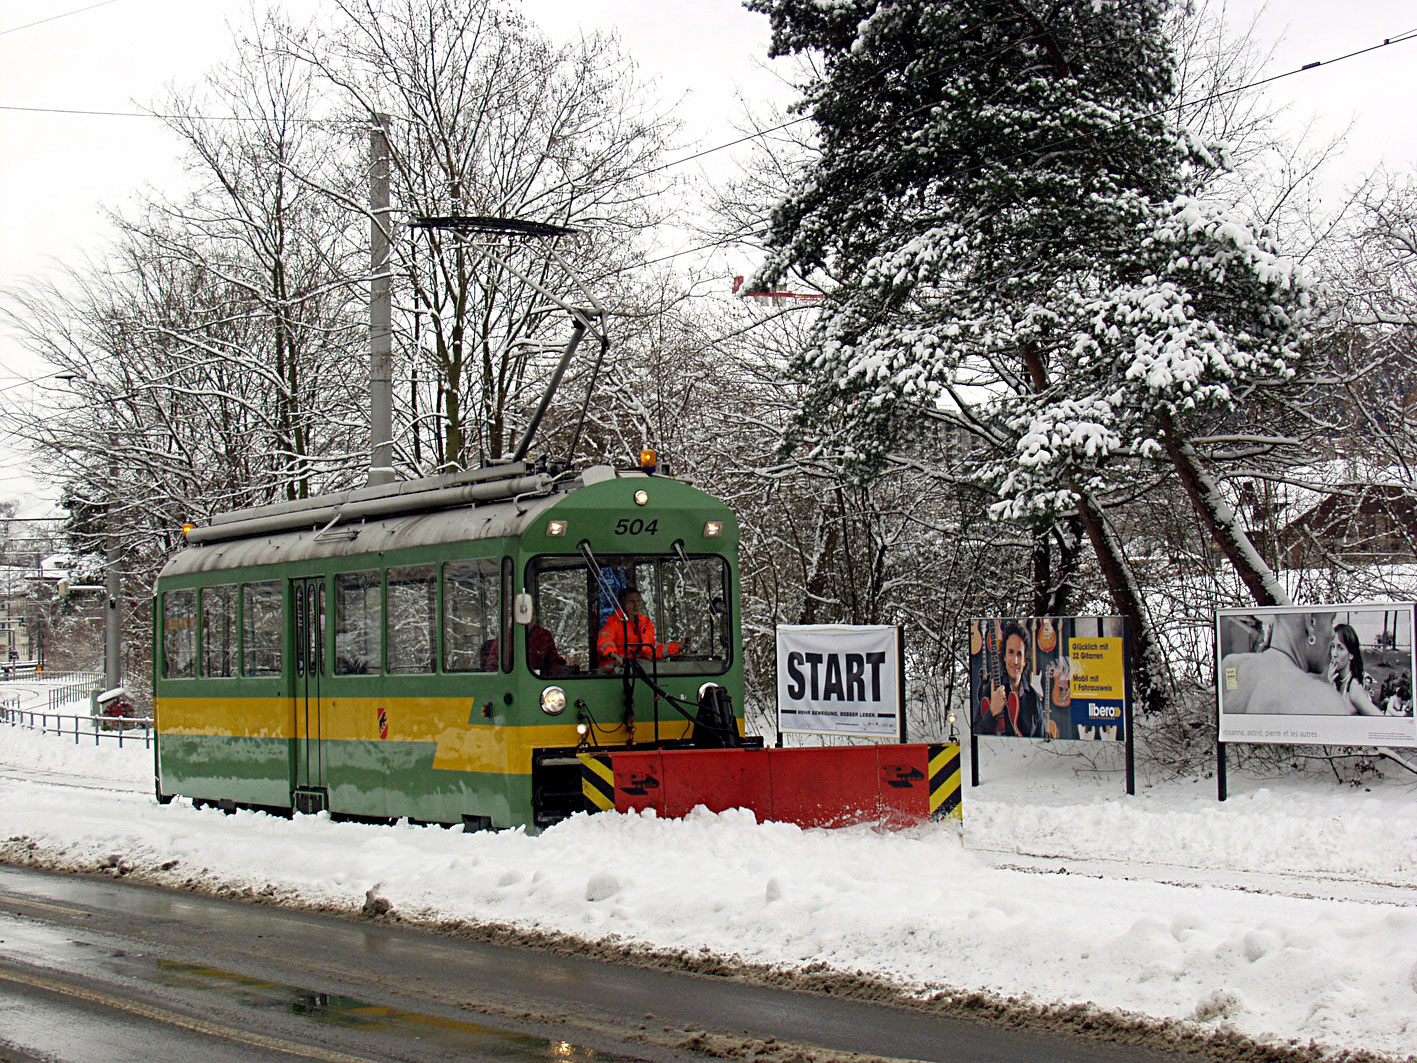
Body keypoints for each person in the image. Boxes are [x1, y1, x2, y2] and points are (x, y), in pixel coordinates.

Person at [1221, 610, 1352, 715]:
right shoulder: (1325, 701)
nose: (1332, 634)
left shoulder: (1233, 667)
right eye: (1331, 621)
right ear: (1310, 622)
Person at [974, 620, 1046, 737]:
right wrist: (992, 712)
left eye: (1019, 654)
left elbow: (1041, 739)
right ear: (1004, 657)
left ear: (1025, 661)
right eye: (1011, 652)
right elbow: (976, 736)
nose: (1015, 661)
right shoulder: (992, 690)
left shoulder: (1033, 698)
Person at [597, 587, 681, 670]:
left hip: (639, 668)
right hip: (617, 668)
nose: (636, 605)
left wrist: (679, 646)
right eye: (631, 601)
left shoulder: (645, 623)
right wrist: (613, 655)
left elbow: (653, 650)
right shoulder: (613, 622)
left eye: (638, 601)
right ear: (622, 603)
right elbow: (605, 640)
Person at [1328, 623, 1382, 716]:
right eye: (1332, 646)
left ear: (1351, 655)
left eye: (1340, 648)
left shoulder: (1354, 690)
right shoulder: (1336, 680)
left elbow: (1381, 718)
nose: (1334, 654)